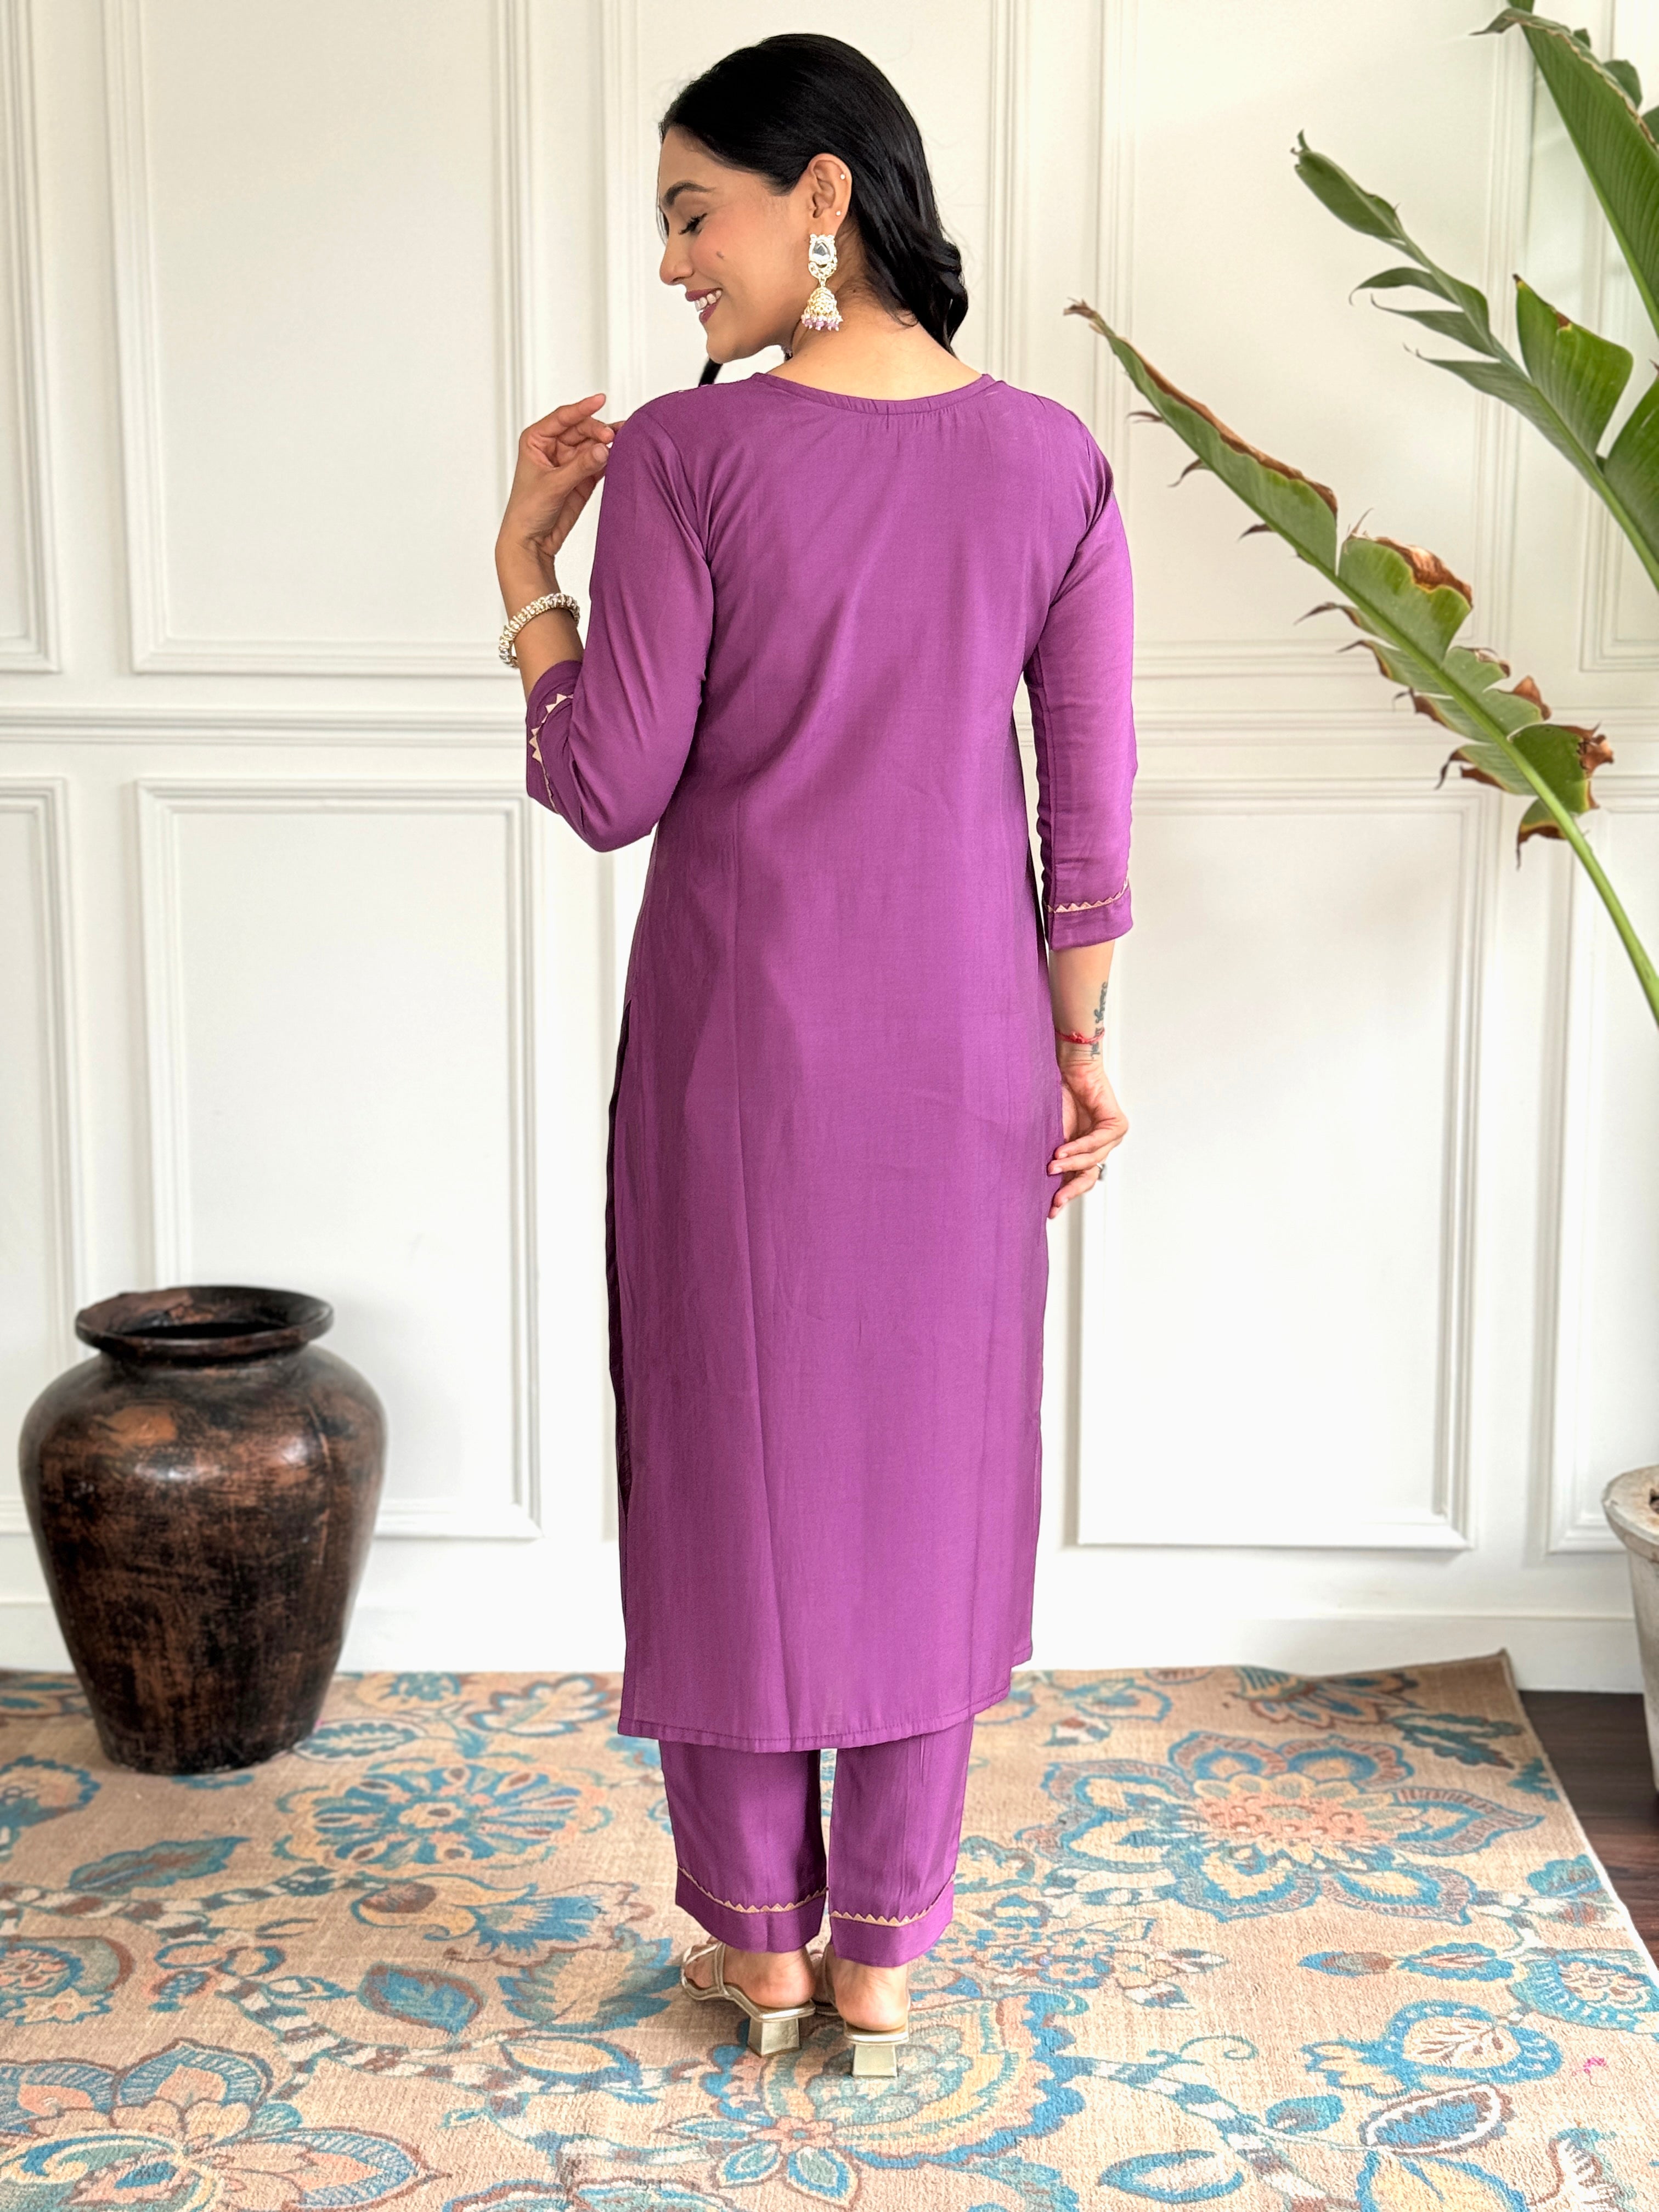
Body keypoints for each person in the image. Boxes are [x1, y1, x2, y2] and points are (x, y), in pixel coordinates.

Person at [493, 32, 1135, 2070]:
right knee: (929, 1481)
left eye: (696, 212)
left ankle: (761, 1951)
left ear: (824, 196)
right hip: (964, 1054)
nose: (673, 260)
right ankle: (884, 1958)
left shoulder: (693, 461)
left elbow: (607, 787)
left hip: (735, 1064)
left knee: (732, 1469)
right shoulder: (1053, 460)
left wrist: (523, 575)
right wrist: (1081, 1050)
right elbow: (1089, 811)